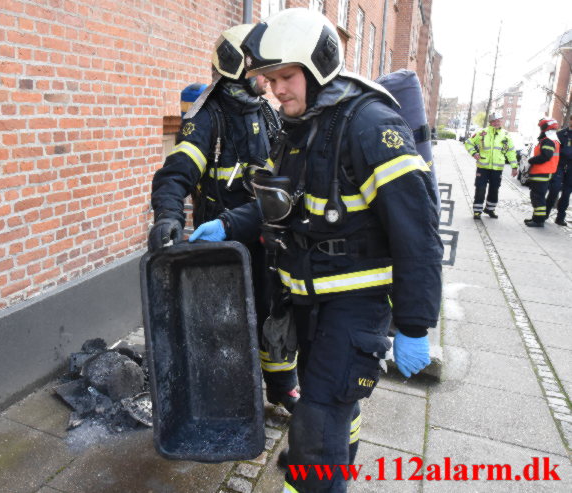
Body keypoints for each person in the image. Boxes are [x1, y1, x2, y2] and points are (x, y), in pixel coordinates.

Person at [189, 9, 442, 492]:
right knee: (334, 413)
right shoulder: (301, 127)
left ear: (319, 65)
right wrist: (226, 224)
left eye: (286, 76)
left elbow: (418, 232)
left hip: (354, 309)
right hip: (308, 305)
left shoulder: (369, 126)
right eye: (269, 78)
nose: (276, 89)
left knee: (316, 425)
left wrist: (414, 325)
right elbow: (282, 206)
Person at [147, 24, 300, 412]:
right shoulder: (207, 118)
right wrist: (167, 216)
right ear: (235, 67)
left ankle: (282, 388)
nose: (266, 80)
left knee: (274, 312)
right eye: (259, 70)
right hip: (222, 245)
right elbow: (176, 171)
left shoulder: (267, 112)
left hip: (267, 237)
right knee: (222, 323)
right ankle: (228, 396)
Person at [464, 113, 518, 218]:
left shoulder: (506, 135)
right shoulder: (481, 132)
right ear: (490, 122)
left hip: (497, 169)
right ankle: (477, 211)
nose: (497, 123)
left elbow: (511, 152)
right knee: (480, 188)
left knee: (494, 189)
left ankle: (490, 209)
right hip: (483, 167)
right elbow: (468, 143)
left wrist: (514, 167)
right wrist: (474, 153)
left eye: (499, 121)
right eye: (495, 121)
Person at [525, 118, 561, 227]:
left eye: (541, 127)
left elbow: (545, 156)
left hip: (542, 173)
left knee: (538, 197)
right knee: (537, 196)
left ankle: (538, 221)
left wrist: (531, 160)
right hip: (543, 173)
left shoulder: (548, 140)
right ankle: (536, 218)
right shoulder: (552, 139)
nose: (540, 129)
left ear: (545, 128)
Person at [545, 115, 572, 225]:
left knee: (566, 194)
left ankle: (560, 217)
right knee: (554, 190)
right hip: (559, 166)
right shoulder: (560, 134)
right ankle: (545, 213)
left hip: (571, 168)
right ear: (570, 120)